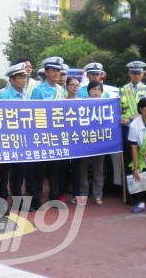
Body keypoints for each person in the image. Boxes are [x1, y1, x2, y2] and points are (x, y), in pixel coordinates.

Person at [29, 56, 66, 210]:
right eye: (53, 70)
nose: (57, 73)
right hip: (42, 135)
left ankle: (55, 197)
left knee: (55, 170)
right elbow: (32, 112)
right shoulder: (38, 90)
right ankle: (36, 199)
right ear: (46, 72)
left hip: (57, 135)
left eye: (58, 70)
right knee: (39, 170)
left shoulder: (61, 90)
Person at [0, 63, 29, 214]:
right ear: (11, 80)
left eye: (25, 77)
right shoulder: (5, 96)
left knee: (19, 171)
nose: (23, 80)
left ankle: (17, 200)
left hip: (22, 138)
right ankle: (1, 202)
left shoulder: (25, 94)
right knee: (4, 172)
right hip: (7, 139)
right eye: (20, 77)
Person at [119, 61, 146, 203]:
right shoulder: (122, 89)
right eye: (134, 73)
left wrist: (132, 118)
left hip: (142, 128)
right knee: (128, 161)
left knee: (142, 160)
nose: (136, 76)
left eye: (139, 73)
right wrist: (121, 118)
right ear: (129, 74)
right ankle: (130, 195)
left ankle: (141, 195)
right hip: (126, 129)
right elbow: (117, 110)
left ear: (143, 74)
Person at [77, 80, 106, 206]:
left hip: (100, 143)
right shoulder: (82, 104)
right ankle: (83, 194)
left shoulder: (106, 105)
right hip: (84, 142)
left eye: (98, 89)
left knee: (98, 170)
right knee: (82, 169)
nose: (96, 92)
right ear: (88, 91)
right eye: (93, 89)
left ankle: (98, 195)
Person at [65, 76, 81, 204]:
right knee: (62, 169)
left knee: (77, 169)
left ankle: (77, 194)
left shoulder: (83, 102)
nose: (75, 87)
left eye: (77, 85)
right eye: (72, 84)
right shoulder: (60, 102)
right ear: (67, 86)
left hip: (77, 142)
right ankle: (60, 195)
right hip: (63, 141)